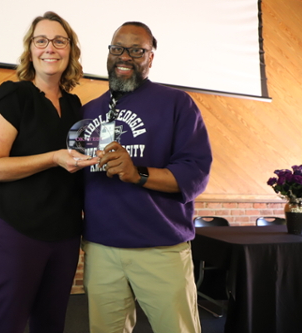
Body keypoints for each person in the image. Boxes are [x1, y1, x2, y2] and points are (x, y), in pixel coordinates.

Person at [81, 22, 213, 333]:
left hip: (160, 248)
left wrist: (137, 173)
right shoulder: (88, 111)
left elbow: (195, 174)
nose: (124, 56)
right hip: (101, 248)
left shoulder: (177, 104)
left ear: (150, 57)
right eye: (117, 48)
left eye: (136, 50)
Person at [0, 11, 97, 333]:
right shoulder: (14, 95)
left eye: (59, 41)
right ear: (30, 50)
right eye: (41, 41)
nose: (50, 48)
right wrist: (53, 157)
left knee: (51, 323)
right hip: (18, 230)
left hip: (65, 233)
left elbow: (79, 164)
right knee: (7, 323)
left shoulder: (76, 106)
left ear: (70, 50)